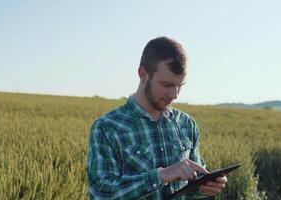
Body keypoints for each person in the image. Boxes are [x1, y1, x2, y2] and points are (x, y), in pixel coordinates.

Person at [87, 36, 227, 199]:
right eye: (167, 85)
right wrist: (160, 176)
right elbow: (101, 194)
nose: (174, 95)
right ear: (143, 74)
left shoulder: (187, 124)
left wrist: (206, 185)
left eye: (179, 86)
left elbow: (192, 187)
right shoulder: (107, 128)